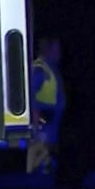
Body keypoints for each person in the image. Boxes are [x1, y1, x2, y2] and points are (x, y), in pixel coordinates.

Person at [27, 37, 65, 174]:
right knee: (40, 149)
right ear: (48, 50)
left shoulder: (50, 67)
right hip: (43, 118)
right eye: (57, 49)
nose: (59, 53)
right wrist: (36, 116)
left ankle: (45, 178)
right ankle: (32, 178)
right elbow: (30, 94)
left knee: (48, 151)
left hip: (50, 119)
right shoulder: (39, 68)